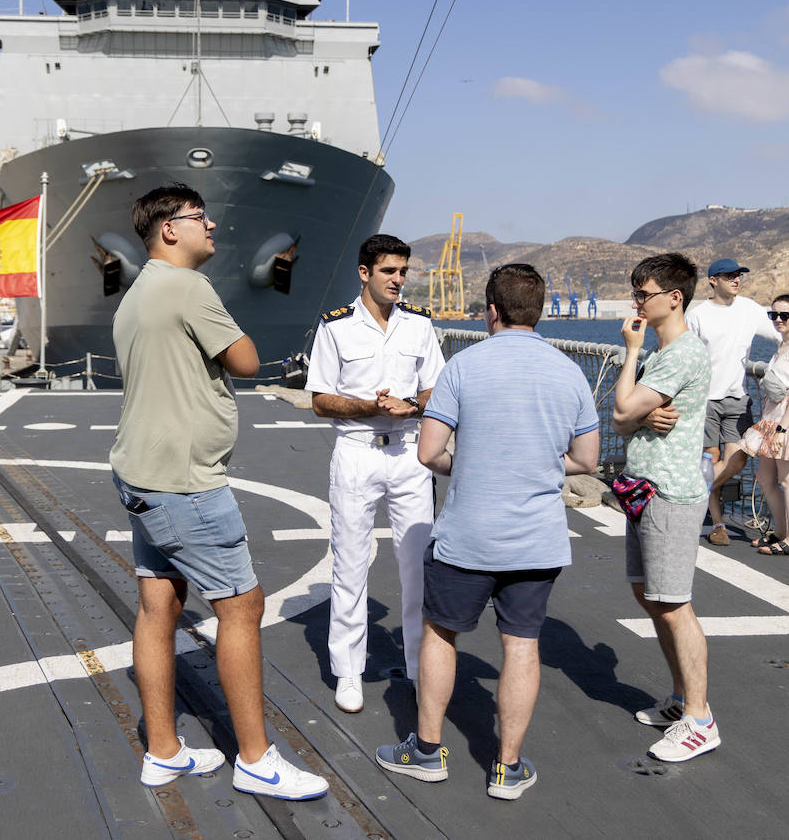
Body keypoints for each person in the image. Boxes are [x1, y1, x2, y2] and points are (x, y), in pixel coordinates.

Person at [109, 184, 327, 801]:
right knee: (242, 608)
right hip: (185, 482)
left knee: (158, 607)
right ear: (169, 230)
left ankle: (163, 750)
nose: (214, 227)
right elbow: (248, 361)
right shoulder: (187, 287)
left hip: (141, 471)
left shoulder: (136, 294)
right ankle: (257, 760)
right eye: (201, 218)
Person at [374, 264, 599, 800]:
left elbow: (429, 452)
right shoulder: (568, 372)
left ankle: (427, 752)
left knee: (441, 634)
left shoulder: (462, 366)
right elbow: (586, 459)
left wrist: (471, 464)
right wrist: (538, 465)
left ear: (492, 311)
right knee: (521, 645)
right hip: (536, 540)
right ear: (539, 311)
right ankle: (507, 767)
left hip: (468, 537)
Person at [305, 234, 445, 713]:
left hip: (409, 453)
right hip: (357, 451)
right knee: (349, 563)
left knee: (416, 566)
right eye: (389, 271)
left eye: (403, 271)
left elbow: (435, 388)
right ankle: (348, 671)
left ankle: (417, 663)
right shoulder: (336, 327)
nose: (398, 280)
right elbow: (321, 399)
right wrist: (370, 406)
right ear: (364, 273)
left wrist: (411, 405)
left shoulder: (420, 325)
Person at [611, 253, 719, 762]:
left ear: (674, 298)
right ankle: (680, 699)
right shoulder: (662, 355)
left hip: (670, 493)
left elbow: (620, 408)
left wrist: (631, 353)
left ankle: (700, 718)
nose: (636, 302)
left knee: (674, 605)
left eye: (644, 293)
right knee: (649, 596)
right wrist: (639, 417)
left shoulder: (678, 354)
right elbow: (622, 422)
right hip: (643, 489)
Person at [686, 259, 789, 546]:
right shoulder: (698, 315)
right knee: (712, 461)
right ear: (713, 280)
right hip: (703, 399)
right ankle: (718, 524)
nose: (736, 280)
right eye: (729, 275)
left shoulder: (749, 309)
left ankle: (690, 498)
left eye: (739, 275)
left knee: (736, 461)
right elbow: (685, 354)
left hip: (737, 398)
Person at [738, 295, 789, 556]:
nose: (778, 320)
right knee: (764, 477)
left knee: (788, 481)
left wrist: (783, 430)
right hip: (773, 416)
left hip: (787, 418)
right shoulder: (786, 344)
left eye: (784, 315)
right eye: (774, 315)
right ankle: (782, 532)